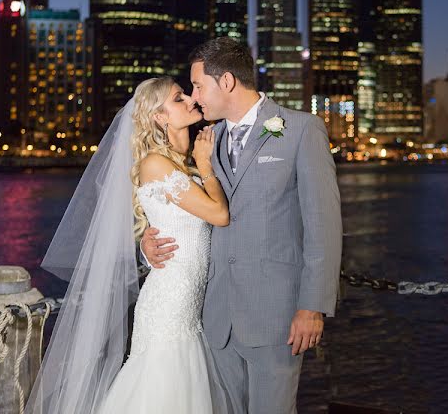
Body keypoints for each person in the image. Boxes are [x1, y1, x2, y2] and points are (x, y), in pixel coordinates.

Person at [142, 37, 343, 414]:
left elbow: (324, 227)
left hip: (277, 316)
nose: (194, 95)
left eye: (199, 86)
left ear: (228, 82)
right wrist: (147, 243)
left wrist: (312, 307)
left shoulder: (301, 130)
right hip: (214, 317)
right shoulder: (205, 140)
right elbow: (182, 210)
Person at [26, 76, 228, 413]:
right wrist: (206, 167)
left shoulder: (186, 163)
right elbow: (219, 214)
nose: (191, 100)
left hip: (191, 302)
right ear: (159, 117)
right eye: (179, 98)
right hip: (169, 303)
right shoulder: (155, 164)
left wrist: (146, 248)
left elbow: (170, 228)